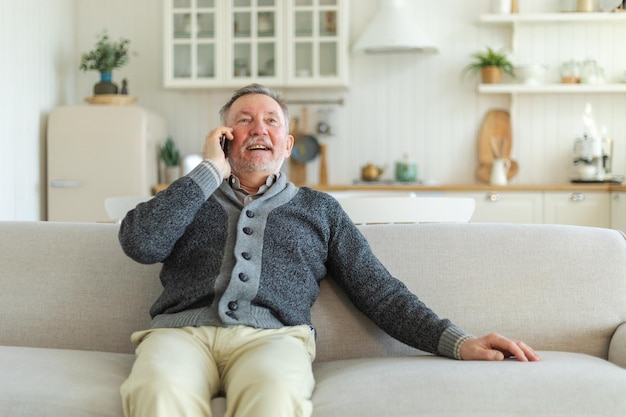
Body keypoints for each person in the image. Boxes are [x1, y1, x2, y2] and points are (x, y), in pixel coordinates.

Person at [118, 83, 540, 417]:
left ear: (286, 145)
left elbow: (380, 291)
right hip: (179, 336)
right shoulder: (192, 195)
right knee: (157, 392)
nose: (258, 128)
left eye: (271, 121)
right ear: (225, 140)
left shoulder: (319, 210)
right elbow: (140, 242)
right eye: (243, 121)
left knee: (274, 401)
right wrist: (209, 171)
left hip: (274, 340)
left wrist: (456, 342)